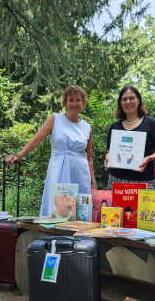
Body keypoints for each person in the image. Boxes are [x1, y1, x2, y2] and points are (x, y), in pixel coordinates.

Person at [5, 86, 96, 216]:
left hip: (80, 175)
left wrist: (93, 181)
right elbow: (35, 140)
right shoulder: (55, 119)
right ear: (65, 103)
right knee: (56, 213)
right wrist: (19, 156)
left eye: (78, 100)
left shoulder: (87, 128)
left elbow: (89, 158)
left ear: (83, 103)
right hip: (58, 171)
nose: (74, 104)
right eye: (71, 100)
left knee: (80, 215)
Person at [104, 86, 155, 190]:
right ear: (120, 103)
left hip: (144, 182)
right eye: (124, 99)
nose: (128, 102)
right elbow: (109, 152)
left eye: (131, 98)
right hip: (116, 181)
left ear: (138, 100)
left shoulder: (151, 123)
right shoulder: (114, 127)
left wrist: (148, 158)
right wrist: (108, 157)